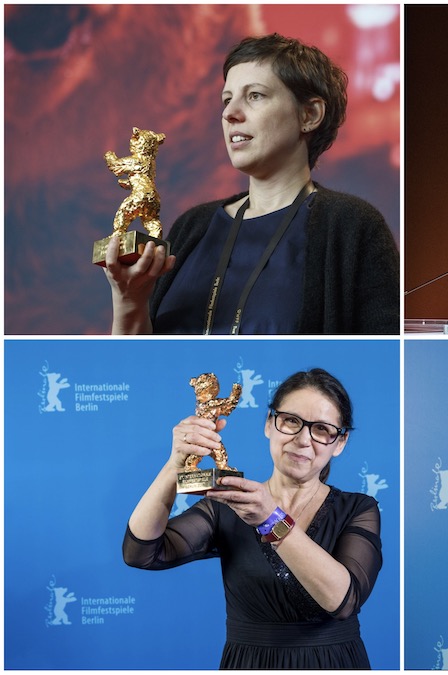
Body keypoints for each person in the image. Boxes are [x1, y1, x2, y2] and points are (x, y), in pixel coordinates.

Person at [102, 33, 399, 335]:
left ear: (309, 115)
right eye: (227, 99)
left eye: (255, 95)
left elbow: (381, 362)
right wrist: (129, 302)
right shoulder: (192, 227)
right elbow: (136, 369)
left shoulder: (351, 226)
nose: (230, 113)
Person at [123, 369, 382, 668]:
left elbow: (343, 601)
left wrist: (270, 519)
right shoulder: (229, 504)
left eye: (322, 429)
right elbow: (141, 552)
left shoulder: (358, 509)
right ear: (270, 424)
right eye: (291, 421)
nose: (302, 440)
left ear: (340, 443)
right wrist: (175, 464)